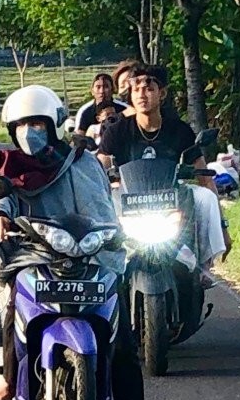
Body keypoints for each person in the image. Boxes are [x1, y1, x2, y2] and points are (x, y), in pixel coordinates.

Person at [0, 84, 166, 400]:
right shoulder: (9, 165)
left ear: (54, 125)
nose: (30, 132)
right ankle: (11, 377)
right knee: (14, 305)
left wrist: (113, 239)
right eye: (22, 125)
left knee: (123, 341)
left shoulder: (81, 162)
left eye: (38, 123)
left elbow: (101, 209)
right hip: (35, 255)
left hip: (89, 256)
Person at [97, 61, 229, 276]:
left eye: (149, 89)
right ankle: (104, 268)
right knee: (103, 201)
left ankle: (204, 267)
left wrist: (223, 227)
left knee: (205, 196)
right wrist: (105, 178)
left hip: (173, 200)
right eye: (137, 89)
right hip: (128, 200)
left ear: (162, 93)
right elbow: (99, 166)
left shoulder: (180, 130)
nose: (142, 95)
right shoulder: (116, 131)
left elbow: (204, 175)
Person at [75, 71, 122, 144]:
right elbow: (79, 137)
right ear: (92, 91)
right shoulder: (84, 111)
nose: (102, 91)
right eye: (98, 87)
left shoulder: (124, 109)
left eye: (106, 86)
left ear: (112, 89)